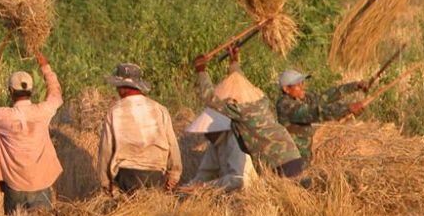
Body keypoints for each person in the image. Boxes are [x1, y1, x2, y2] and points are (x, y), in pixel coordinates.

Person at [0, 50, 63, 215]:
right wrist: (46, 68)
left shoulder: (4, 116)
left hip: (14, 185)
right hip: (42, 183)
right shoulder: (43, 111)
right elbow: (56, 96)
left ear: (11, 91)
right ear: (31, 90)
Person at [193, 49, 304, 178]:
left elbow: (210, 98)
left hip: (279, 163)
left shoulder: (241, 111)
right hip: (292, 156)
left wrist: (201, 71)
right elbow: (241, 84)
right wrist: (234, 63)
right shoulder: (261, 101)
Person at [97, 63, 182, 194]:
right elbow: (173, 145)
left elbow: (106, 150)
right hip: (156, 175)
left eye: (118, 87)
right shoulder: (160, 109)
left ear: (122, 88)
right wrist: (174, 176)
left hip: (127, 176)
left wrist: (106, 183)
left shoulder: (114, 111)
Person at [276, 69, 366, 161]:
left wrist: (355, 86)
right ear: (286, 89)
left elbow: (325, 97)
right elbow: (315, 113)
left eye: (302, 83)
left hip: (303, 156)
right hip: (292, 158)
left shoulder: (301, 98)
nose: (303, 87)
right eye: (298, 85)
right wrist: (347, 108)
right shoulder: (285, 105)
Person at [178, 108, 257, 194]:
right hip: (228, 194)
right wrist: (186, 188)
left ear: (218, 129)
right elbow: (205, 173)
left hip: (247, 193)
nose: (206, 135)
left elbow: (238, 179)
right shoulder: (215, 144)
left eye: (209, 132)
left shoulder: (236, 142)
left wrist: (205, 186)